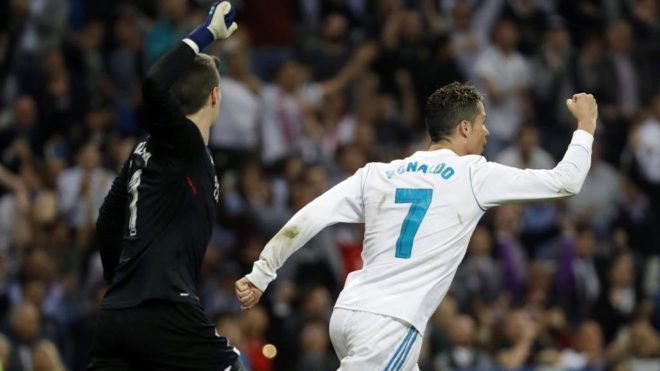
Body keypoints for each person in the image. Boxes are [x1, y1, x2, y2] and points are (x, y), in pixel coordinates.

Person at [236, 82, 598, 370]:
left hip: (347, 314)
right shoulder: (473, 174)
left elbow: (311, 214)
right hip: (390, 326)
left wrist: (263, 271)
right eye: (483, 122)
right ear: (464, 127)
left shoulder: (378, 173)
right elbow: (566, 181)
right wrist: (585, 125)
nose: (487, 132)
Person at [88, 2, 244, 370]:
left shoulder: (145, 149)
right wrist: (205, 33)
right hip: (165, 309)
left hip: (117, 315)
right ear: (215, 96)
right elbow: (155, 83)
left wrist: (125, 286)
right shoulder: (183, 142)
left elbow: (108, 221)